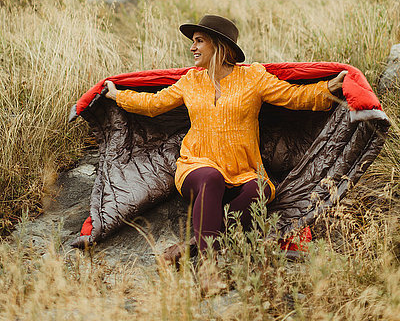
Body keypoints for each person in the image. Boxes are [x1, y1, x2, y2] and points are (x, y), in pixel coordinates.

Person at [104, 14, 347, 264]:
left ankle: (192, 243)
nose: (192, 47)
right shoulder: (190, 81)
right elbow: (153, 104)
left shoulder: (254, 77)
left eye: (199, 41)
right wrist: (117, 95)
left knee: (261, 190)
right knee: (211, 177)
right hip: (197, 166)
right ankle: (210, 266)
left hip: (244, 169)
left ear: (219, 45)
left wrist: (328, 88)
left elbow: (294, 96)